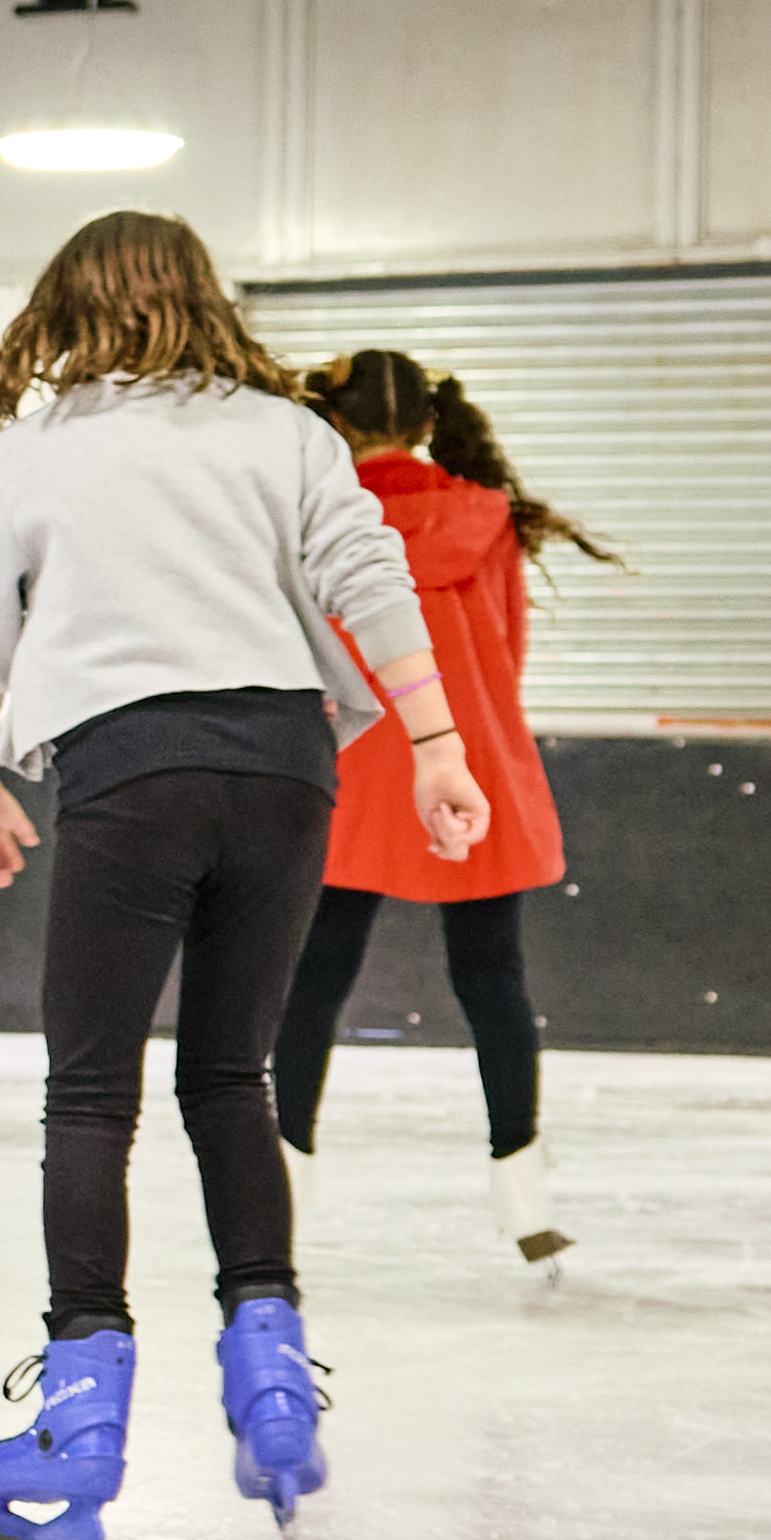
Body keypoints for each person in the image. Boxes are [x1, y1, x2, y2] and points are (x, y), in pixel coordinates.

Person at [0, 216, 483, 1540]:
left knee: (88, 1088)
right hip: (286, 767)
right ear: (202, 300)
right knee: (227, 1078)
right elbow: (368, 576)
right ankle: (270, 1379)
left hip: (128, 767)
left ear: (64, 306)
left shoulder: (35, 446)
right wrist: (433, 746)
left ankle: (79, 1418)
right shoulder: (281, 431)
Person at [270, 346, 606, 1269]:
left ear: (334, 424)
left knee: (313, 982)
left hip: (350, 768)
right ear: (428, 423)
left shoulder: (322, 519)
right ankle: (524, 1200)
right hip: (470, 761)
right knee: (492, 982)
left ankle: (280, 1193)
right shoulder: (486, 518)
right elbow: (505, 649)